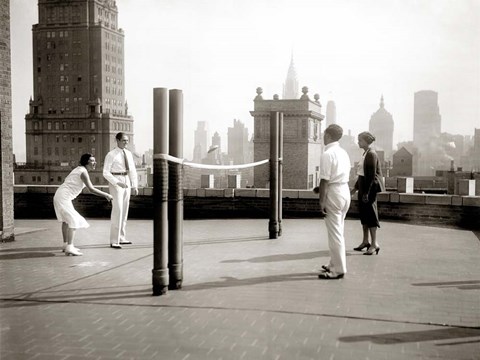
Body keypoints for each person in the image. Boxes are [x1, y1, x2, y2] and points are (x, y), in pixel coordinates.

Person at [54, 154, 113, 256]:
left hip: (60, 195)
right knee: (73, 220)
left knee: (66, 221)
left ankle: (65, 245)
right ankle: (70, 247)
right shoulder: (83, 172)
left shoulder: (78, 169)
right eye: (92, 161)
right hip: (63, 197)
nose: (95, 163)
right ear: (86, 162)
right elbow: (91, 189)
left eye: (95, 161)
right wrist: (106, 195)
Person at [317, 124, 352, 279]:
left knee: (335, 234)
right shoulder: (343, 152)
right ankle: (333, 263)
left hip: (333, 194)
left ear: (329, 136)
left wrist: (321, 201)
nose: (323, 137)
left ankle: (338, 269)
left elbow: (325, 180)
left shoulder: (327, 154)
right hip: (344, 191)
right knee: (338, 231)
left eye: (324, 134)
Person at [351, 131, 385, 255]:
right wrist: (355, 188)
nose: (358, 142)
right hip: (363, 187)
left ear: (366, 141)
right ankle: (366, 241)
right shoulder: (365, 153)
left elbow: (370, 176)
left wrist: (366, 192)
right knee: (364, 215)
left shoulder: (371, 154)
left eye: (360, 140)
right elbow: (361, 174)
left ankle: (374, 243)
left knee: (370, 215)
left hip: (369, 188)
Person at [103, 132, 138, 249]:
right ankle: (114, 240)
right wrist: (117, 182)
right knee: (117, 209)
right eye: (123, 140)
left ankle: (121, 237)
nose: (126, 142)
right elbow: (105, 172)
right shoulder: (111, 154)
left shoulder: (128, 154)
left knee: (124, 210)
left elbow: (132, 170)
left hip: (126, 180)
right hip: (116, 181)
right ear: (117, 141)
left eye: (127, 140)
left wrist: (135, 185)